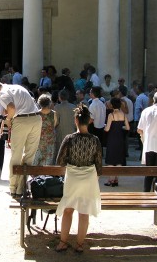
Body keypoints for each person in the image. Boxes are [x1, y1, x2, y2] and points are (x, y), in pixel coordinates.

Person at [55, 104, 102, 253]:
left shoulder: (69, 139)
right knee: (84, 211)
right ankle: (80, 245)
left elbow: (60, 161)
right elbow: (99, 166)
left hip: (73, 177)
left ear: (76, 120)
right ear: (89, 121)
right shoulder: (95, 140)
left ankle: (62, 242)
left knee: (68, 210)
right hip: (89, 178)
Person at [0, 80, 42, 197]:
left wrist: (7, 120)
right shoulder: (17, 87)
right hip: (37, 119)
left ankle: (13, 188)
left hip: (21, 121)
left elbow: (11, 108)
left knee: (16, 155)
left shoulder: (2, 93)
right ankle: (21, 188)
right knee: (29, 156)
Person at [104, 97, 130, 186]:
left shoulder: (111, 115)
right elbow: (128, 128)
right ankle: (116, 180)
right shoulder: (123, 114)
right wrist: (120, 127)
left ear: (112, 105)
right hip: (120, 138)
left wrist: (105, 127)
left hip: (112, 138)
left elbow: (107, 129)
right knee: (119, 159)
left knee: (111, 159)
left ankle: (110, 180)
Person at [33, 94, 58, 165]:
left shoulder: (36, 114)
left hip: (38, 140)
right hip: (50, 140)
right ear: (49, 103)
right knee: (48, 161)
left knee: (36, 161)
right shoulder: (54, 113)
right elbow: (55, 124)